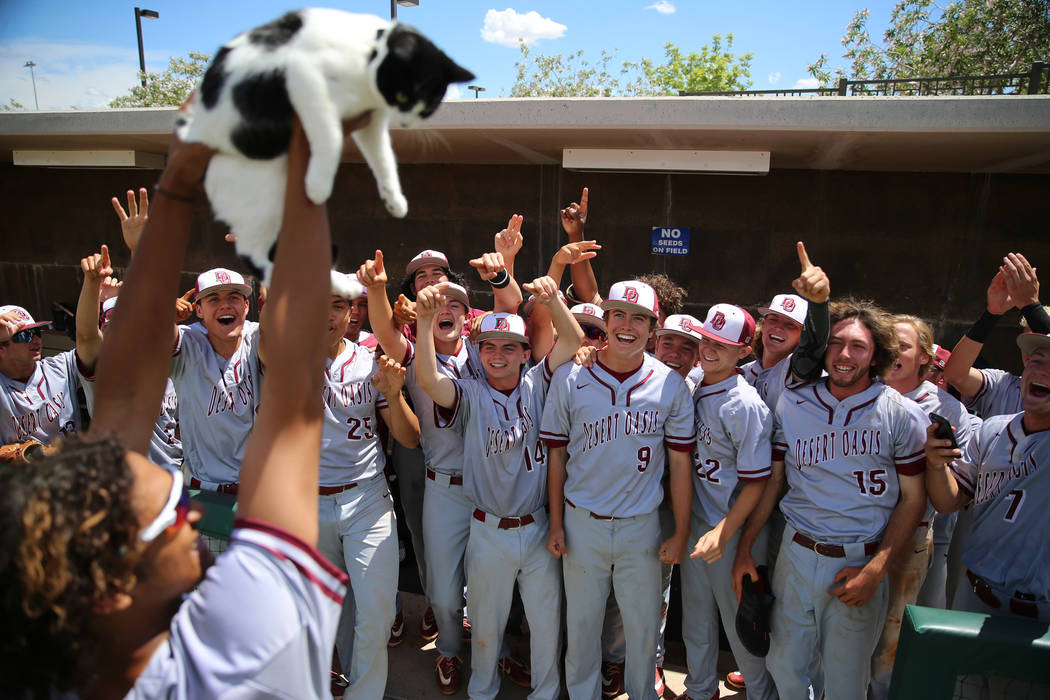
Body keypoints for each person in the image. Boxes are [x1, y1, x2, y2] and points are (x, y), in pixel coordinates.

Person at [2, 112, 362, 699]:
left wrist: (171, 200)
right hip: (233, 498)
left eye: (236, 296)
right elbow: (295, 398)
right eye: (171, 516)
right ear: (112, 588)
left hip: (243, 497)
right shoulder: (232, 665)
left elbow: (122, 401)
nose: (186, 516)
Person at [358, 248, 529, 693]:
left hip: (491, 486)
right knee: (446, 593)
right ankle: (450, 650)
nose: (444, 308)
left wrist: (502, 271)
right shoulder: (415, 353)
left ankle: (500, 652)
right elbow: (382, 330)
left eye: (453, 302)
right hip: (445, 487)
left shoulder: (485, 349)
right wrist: (377, 289)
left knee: (491, 589)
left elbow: (511, 307)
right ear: (419, 312)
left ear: (466, 312)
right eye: (434, 302)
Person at [416, 278, 582, 700]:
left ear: (527, 353)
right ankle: (482, 692)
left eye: (509, 346)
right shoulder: (470, 392)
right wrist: (422, 323)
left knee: (546, 626)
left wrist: (552, 300)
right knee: (487, 628)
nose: (498, 354)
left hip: (540, 526)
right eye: (488, 346)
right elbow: (431, 381)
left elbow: (573, 338)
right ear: (478, 352)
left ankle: (545, 694)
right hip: (487, 529)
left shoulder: (539, 383)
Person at [761, 298, 928, 700]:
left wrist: (875, 569)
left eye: (858, 346)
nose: (845, 354)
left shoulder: (900, 413)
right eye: (836, 343)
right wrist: (749, 546)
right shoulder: (794, 400)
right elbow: (774, 480)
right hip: (797, 551)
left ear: (876, 356)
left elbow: (913, 500)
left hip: (858, 557)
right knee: (784, 666)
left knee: (846, 682)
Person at [542, 280, 695, 700]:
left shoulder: (670, 384)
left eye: (639, 318)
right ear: (605, 321)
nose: (628, 326)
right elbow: (556, 456)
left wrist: (680, 531)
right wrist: (556, 523)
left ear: (653, 327)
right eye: (619, 316)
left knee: (642, 632)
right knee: (582, 628)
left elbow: (680, 464)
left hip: (641, 527)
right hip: (581, 524)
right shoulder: (573, 376)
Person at [924, 330, 1050, 695]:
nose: (1040, 371)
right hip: (975, 597)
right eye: (1036, 362)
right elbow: (949, 502)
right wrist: (935, 465)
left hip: (1036, 617)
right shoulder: (993, 431)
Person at [318, 271, 421, 700]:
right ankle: (349, 683)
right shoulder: (279, 357)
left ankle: (364, 693)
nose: (329, 314)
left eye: (339, 306)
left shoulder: (369, 361)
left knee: (377, 614)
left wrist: (394, 395)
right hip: (307, 501)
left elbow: (410, 438)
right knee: (332, 609)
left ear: (351, 312)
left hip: (366, 496)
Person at [870, 314, 977, 698]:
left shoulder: (947, 409)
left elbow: (951, 497)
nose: (894, 353)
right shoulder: (859, 392)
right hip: (854, 528)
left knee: (891, 642)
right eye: (887, 344)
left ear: (924, 357)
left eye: (904, 346)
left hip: (912, 534)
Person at [680, 304, 778, 700]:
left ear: (744, 351)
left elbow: (758, 483)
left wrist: (726, 533)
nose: (709, 348)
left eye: (722, 344)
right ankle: (701, 689)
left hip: (732, 528)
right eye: (706, 339)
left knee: (742, 625)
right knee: (696, 618)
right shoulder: (697, 379)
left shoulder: (744, 403)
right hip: (701, 520)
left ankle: (760, 693)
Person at [0, 245, 108, 447]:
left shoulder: (59, 368)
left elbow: (87, 339)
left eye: (37, 332)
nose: (36, 340)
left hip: (73, 472)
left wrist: (92, 283)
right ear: (1, 348)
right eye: (24, 336)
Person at [943, 253, 1049, 418]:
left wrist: (1030, 305)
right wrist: (992, 313)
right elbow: (955, 375)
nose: (1032, 353)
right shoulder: (1003, 385)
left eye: (1041, 344)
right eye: (1029, 342)